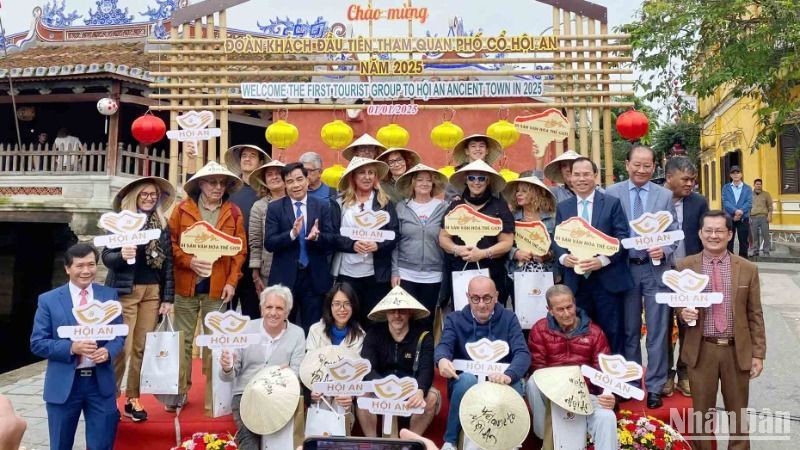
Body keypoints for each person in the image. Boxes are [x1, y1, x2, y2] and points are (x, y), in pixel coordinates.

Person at [677, 210, 766, 450]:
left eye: (719, 231)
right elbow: (677, 306)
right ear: (700, 233)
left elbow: (755, 314)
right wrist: (683, 314)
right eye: (708, 230)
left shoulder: (747, 268)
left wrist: (758, 354)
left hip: (735, 351)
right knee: (702, 417)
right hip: (701, 349)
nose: (713, 235)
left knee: (738, 417)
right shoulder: (685, 266)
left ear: (729, 234)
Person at [168, 161, 247, 412]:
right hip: (186, 285)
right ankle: (179, 392)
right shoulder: (182, 210)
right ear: (200, 184)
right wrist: (189, 261)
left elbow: (240, 251)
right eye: (212, 182)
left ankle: (217, 394)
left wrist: (232, 281)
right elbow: (171, 245)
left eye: (222, 183)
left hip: (218, 287)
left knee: (216, 342)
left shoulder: (233, 212)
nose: (217, 187)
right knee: (183, 342)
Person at [30, 243, 124, 450]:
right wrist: (72, 348)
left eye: (91, 265)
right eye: (80, 266)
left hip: (100, 384)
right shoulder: (49, 300)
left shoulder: (109, 296)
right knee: (60, 445)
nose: (86, 271)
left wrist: (108, 351)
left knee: (101, 445)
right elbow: (37, 343)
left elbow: (118, 335)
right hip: (63, 385)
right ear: (67, 268)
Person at [606, 145, 678, 409]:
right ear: (627, 164)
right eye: (637, 164)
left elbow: (674, 230)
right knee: (629, 330)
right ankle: (633, 382)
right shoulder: (611, 194)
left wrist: (666, 248)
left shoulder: (664, 195)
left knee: (658, 331)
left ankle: (656, 385)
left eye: (647, 165)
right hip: (625, 269)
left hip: (656, 269)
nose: (641, 170)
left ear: (654, 166)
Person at [102, 176, 175, 422]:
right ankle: (110, 398)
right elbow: (107, 258)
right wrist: (122, 254)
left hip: (152, 291)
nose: (149, 198)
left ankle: (133, 398)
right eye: (144, 194)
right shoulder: (120, 223)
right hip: (126, 291)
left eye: (153, 194)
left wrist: (168, 297)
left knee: (141, 347)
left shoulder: (161, 224)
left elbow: (168, 264)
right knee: (121, 347)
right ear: (135, 196)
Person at [434, 276, 530, 450]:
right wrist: (442, 360)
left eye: (487, 298)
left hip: (499, 381)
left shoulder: (509, 318)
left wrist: (508, 375)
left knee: (514, 384)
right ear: (468, 297)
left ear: (496, 296)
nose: (481, 305)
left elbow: (522, 353)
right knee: (466, 380)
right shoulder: (454, 319)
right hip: (466, 381)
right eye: (475, 298)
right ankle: (451, 440)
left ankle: (512, 440)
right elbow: (444, 346)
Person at [554, 157, 633, 356]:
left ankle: (613, 382)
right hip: (576, 282)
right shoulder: (564, 207)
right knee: (580, 335)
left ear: (595, 176)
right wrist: (564, 258)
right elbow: (557, 239)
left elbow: (622, 238)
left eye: (587, 174)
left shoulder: (611, 204)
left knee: (612, 333)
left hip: (607, 281)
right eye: (577, 174)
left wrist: (602, 260)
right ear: (570, 177)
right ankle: (585, 380)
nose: (582, 179)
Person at [526, 285, 618, 450]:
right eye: (560, 309)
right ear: (550, 310)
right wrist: (560, 391)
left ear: (575, 303)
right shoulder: (539, 330)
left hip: (585, 395)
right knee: (532, 381)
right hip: (552, 395)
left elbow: (604, 374)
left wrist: (609, 396)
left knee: (607, 417)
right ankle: (544, 434)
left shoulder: (595, 332)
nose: (567, 313)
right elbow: (537, 369)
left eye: (569, 307)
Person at [220, 285, 306, 450]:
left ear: (287, 312)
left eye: (279, 308)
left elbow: (296, 373)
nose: (273, 312)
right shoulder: (245, 329)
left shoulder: (297, 334)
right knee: (249, 444)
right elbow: (228, 376)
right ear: (261, 309)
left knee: (280, 444)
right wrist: (226, 367)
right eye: (269, 307)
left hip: (281, 395)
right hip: (246, 394)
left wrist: (281, 377)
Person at [358, 286, 439, 436]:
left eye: (402, 310)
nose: (397, 315)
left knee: (431, 397)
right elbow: (367, 367)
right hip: (380, 386)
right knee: (363, 393)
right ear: (386, 313)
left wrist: (421, 390)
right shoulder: (374, 333)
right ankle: (373, 442)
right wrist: (384, 387)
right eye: (392, 311)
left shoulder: (424, 335)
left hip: (411, 387)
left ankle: (410, 442)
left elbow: (426, 369)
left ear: (410, 312)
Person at [266, 162, 335, 333]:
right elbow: (269, 243)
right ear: (285, 184)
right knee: (284, 327)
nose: (295, 185)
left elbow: (331, 239)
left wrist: (317, 237)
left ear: (307, 180)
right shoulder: (275, 208)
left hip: (314, 277)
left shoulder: (322, 205)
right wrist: (291, 234)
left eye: (299, 179)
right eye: (290, 181)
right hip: (285, 277)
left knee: (313, 328)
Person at [330, 157, 399, 323]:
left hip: (376, 275)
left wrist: (378, 245)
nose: (367, 177)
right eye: (362, 173)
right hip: (347, 273)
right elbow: (331, 236)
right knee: (348, 319)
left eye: (371, 173)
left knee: (374, 319)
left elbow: (395, 234)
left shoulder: (385, 203)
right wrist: (352, 245)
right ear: (353, 176)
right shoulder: (340, 203)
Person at [663, 156, 708, 397]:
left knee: (689, 324)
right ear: (669, 178)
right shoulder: (655, 200)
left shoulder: (699, 202)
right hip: (660, 274)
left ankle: (685, 372)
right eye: (686, 179)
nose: (690, 184)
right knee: (661, 327)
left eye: (693, 180)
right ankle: (665, 373)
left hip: (689, 276)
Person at [439, 160, 514, 306]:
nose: (476, 182)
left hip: (492, 272)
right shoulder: (455, 206)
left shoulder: (499, 207)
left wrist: (483, 253)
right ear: (466, 180)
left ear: (488, 181)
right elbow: (443, 237)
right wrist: (457, 249)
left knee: (492, 317)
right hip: (461, 271)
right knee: (462, 316)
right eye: (472, 178)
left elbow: (507, 242)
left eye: (481, 178)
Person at [392, 164, 449, 330]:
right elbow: (395, 242)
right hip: (406, 273)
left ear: (433, 184)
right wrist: (395, 271)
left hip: (434, 274)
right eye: (420, 180)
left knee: (427, 321)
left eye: (428, 180)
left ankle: (425, 354)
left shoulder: (443, 207)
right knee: (406, 319)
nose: (424, 183)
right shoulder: (402, 207)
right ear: (412, 183)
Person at [225, 145, 271, 319]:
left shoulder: (265, 192)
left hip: (255, 262)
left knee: (253, 314)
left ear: (260, 162)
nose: (247, 158)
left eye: (253, 155)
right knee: (225, 313)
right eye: (244, 155)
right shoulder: (228, 189)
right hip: (230, 260)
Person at [503, 175, 558, 283]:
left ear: (536, 193)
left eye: (524, 191)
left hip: (547, 273)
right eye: (517, 191)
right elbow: (501, 242)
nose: (518, 194)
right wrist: (515, 253)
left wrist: (548, 255)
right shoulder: (511, 217)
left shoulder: (552, 218)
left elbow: (559, 247)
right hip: (516, 273)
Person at [248, 160, 286, 297]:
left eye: (278, 174)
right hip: (268, 269)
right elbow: (255, 242)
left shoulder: (296, 202)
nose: (274, 177)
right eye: (269, 174)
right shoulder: (259, 207)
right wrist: (256, 273)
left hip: (295, 267)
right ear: (264, 180)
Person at [445, 134, 504, 201]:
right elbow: (449, 199)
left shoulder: (495, 176)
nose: (478, 149)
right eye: (473, 146)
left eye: (481, 146)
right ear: (467, 151)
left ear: (487, 150)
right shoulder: (457, 176)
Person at [721, 165, 753, 259]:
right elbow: (725, 201)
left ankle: (743, 260)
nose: (736, 175)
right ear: (730, 175)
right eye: (733, 173)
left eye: (737, 172)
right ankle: (728, 260)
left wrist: (741, 211)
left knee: (743, 241)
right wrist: (735, 211)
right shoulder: (726, 188)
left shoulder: (747, 188)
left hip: (743, 218)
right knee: (729, 240)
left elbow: (749, 202)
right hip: (730, 218)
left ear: (741, 174)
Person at [749, 178, 773, 257]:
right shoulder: (750, 195)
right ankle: (755, 250)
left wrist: (769, 216)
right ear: (754, 185)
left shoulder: (766, 194)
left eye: (760, 184)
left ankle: (766, 251)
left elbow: (770, 206)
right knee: (754, 235)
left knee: (765, 235)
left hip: (764, 217)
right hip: (753, 217)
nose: (758, 186)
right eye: (757, 184)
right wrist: (748, 217)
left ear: (761, 185)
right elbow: (747, 206)